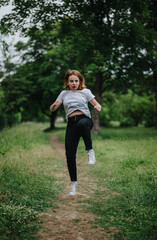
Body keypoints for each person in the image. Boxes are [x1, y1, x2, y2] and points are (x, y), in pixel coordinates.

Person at [50, 69, 101, 196]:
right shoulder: (63, 94)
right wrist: (54, 105)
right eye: (71, 81)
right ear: (67, 82)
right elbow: (52, 109)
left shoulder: (85, 92)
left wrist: (97, 107)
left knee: (82, 124)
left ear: (80, 81)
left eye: (76, 81)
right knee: (70, 155)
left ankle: (90, 150)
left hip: (85, 120)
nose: (74, 83)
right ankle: (73, 183)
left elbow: (97, 105)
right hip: (71, 124)